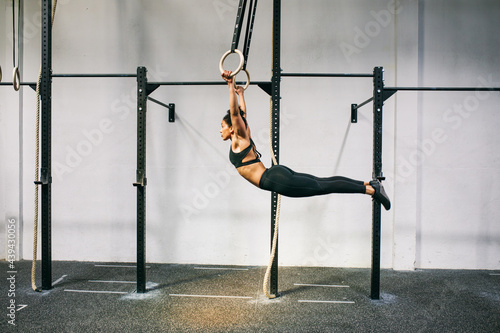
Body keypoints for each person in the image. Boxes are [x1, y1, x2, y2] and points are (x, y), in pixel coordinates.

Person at [220, 70, 391, 210]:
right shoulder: (243, 133)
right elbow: (242, 112)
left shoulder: (239, 139)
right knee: (323, 182)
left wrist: (230, 85)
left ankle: (370, 191)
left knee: (323, 186)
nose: (220, 131)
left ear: (233, 128)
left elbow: (236, 113)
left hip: (274, 180)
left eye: (222, 126)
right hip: (276, 174)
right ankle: (370, 184)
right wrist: (241, 93)